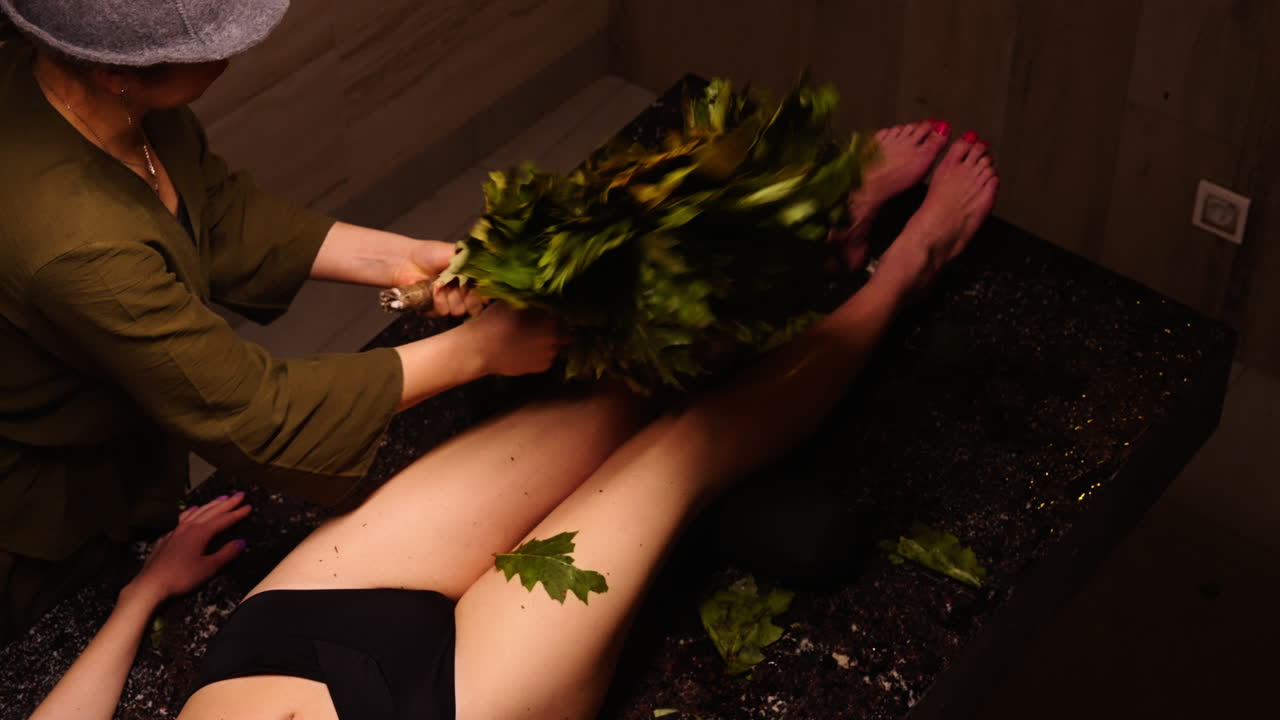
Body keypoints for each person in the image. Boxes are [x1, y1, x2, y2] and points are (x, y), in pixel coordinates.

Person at [28, 121, 999, 720]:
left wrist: (139, 598)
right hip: (447, 706)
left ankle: (816, 247)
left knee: (610, 393)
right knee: (682, 451)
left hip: (270, 649)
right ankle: (907, 268)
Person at [0, 0, 565, 642]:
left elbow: (212, 211)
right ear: (115, 71)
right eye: (213, 46)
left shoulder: (91, 91)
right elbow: (256, 413)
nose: (234, 53)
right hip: (49, 518)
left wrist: (405, 259)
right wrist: (480, 351)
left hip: (129, 438)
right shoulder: (78, 245)